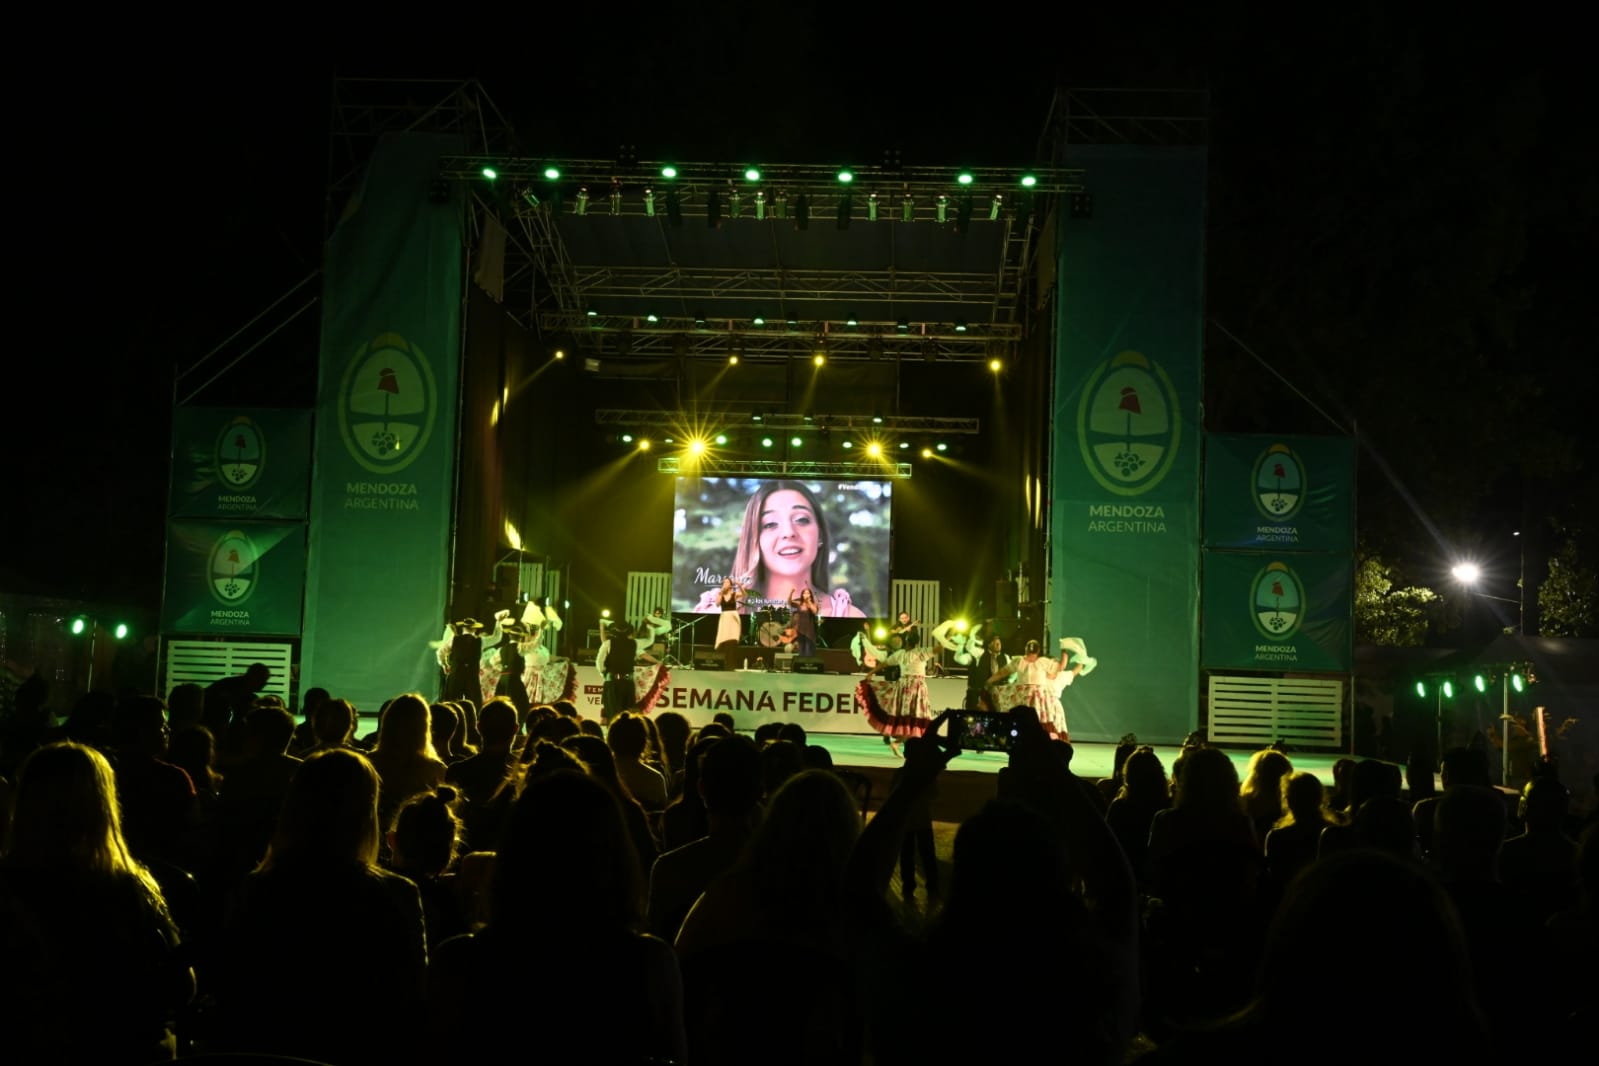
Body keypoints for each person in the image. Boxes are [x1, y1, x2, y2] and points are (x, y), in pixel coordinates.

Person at [697, 480, 866, 618]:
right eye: (770, 524)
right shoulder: (717, 613)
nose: (788, 532)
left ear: (820, 535)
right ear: (754, 540)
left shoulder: (849, 617)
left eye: (801, 519)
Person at [595, 621, 657, 723]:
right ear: (629, 632)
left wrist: (604, 674)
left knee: (613, 713)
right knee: (627, 713)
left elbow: (599, 662)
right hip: (627, 682)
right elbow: (650, 640)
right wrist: (650, 627)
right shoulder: (634, 643)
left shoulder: (609, 643)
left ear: (614, 632)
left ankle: (614, 729)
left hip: (613, 682)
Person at [967, 634, 1010, 711]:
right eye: (995, 643)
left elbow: (1013, 670)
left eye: (999, 643)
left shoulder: (1005, 657)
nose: (998, 645)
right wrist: (972, 637)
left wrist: (1010, 681)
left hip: (998, 694)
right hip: (982, 693)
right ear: (989, 644)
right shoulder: (980, 653)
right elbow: (969, 648)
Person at [787, 586, 820, 658]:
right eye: (804, 593)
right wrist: (791, 592)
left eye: (808, 593)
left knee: (808, 652)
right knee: (801, 651)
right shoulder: (799, 604)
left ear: (810, 595)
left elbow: (815, 612)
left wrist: (809, 602)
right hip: (800, 631)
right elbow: (789, 602)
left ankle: (808, 664)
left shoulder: (813, 604)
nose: (806, 594)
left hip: (809, 632)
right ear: (802, 595)